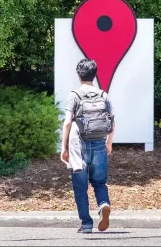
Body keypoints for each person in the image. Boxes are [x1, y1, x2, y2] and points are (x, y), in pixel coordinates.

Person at [60, 58, 115, 234]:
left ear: (79, 75)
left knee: (80, 187)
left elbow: (68, 122)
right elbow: (112, 120)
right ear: (94, 75)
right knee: (99, 183)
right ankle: (103, 204)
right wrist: (109, 143)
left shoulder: (74, 96)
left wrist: (64, 147)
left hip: (79, 147)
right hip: (99, 143)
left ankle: (86, 224)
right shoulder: (103, 95)